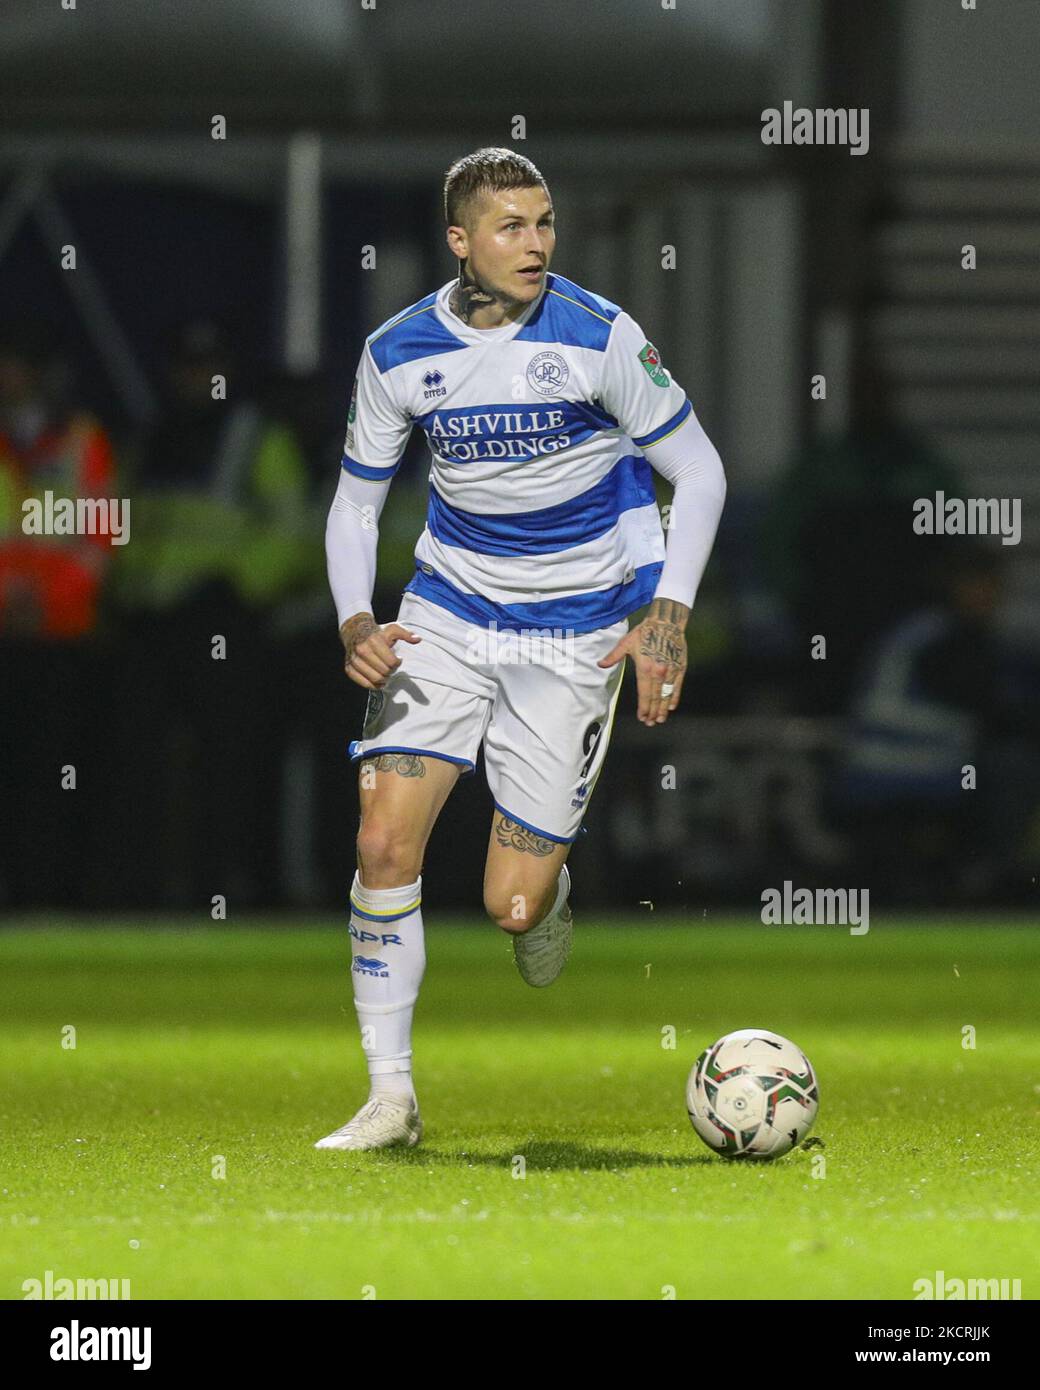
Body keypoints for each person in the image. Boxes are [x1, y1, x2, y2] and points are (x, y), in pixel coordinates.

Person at [317, 148, 726, 1150]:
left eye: (543, 223)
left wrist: (663, 614)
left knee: (508, 903)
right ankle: (389, 1097)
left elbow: (700, 473)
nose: (535, 243)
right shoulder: (399, 350)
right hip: (448, 613)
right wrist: (355, 619)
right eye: (510, 226)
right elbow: (355, 505)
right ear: (459, 240)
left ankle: (544, 894)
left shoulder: (597, 336)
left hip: (574, 633)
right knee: (380, 841)